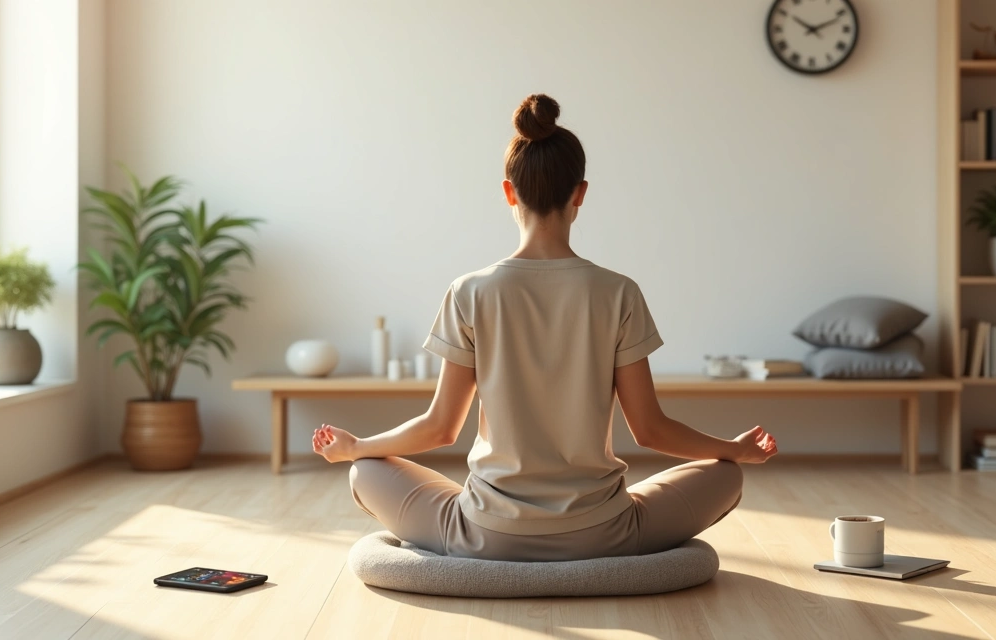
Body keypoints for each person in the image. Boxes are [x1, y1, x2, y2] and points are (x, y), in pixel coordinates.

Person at [313, 94, 778, 562]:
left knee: (364, 472)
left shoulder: (468, 292)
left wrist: (358, 447)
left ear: (508, 192)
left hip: (485, 532)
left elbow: (439, 429)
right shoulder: (619, 292)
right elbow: (651, 431)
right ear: (580, 194)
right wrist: (733, 449)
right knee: (727, 474)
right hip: (605, 531)